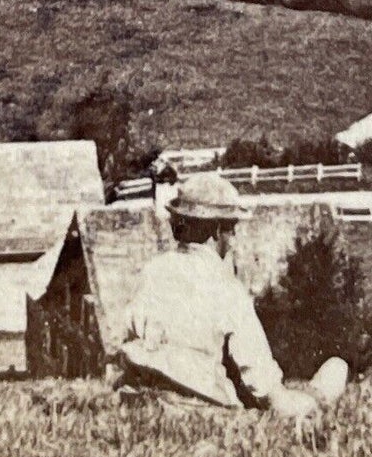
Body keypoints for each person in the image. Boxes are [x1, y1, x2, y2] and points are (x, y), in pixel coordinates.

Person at [118, 172, 348, 422]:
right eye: (232, 228)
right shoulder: (225, 287)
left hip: (137, 405)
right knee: (334, 372)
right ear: (217, 231)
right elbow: (264, 386)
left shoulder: (151, 271)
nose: (234, 239)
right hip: (197, 413)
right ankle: (318, 399)